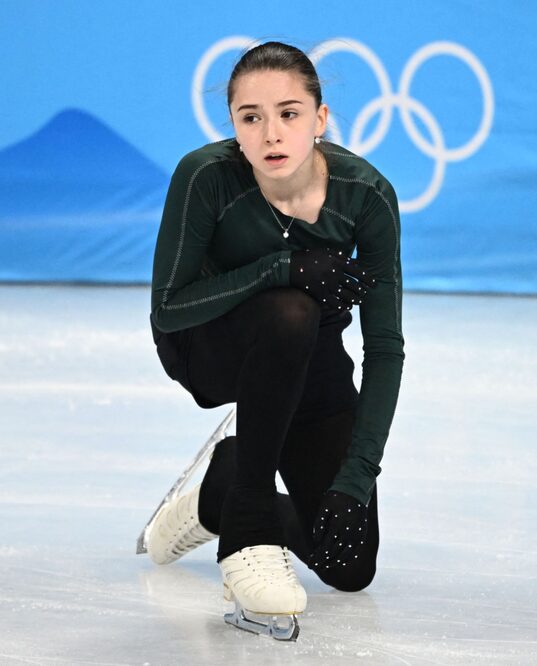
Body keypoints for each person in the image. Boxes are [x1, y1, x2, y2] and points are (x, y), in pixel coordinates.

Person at [144, 41, 404, 639]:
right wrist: (280, 269)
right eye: (250, 117)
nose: (271, 134)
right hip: (208, 348)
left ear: (320, 119)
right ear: (233, 126)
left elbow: (384, 347)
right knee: (288, 310)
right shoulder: (207, 176)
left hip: (311, 359)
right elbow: (167, 309)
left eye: (289, 113)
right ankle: (248, 526)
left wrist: (358, 474)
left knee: (349, 565)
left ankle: (221, 490)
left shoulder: (366, 198)